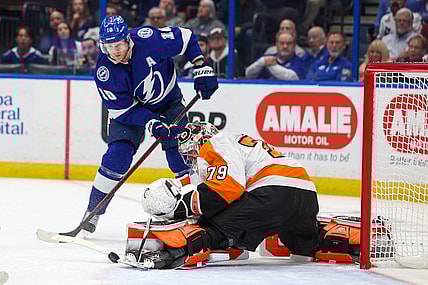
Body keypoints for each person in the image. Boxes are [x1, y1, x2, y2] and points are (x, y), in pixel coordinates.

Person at [80, 15, 218, 236]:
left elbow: (188, 38)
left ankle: (199, 211)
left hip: (169, 103)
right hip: (132, 112)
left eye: (118, 45)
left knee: (180, 153)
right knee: (118, 155)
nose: (114, 51)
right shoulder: (104, 72)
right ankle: (92, 212)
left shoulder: (151, 39)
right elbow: (124, 110)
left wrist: (201, 67)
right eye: (109, 46)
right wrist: (151, 122)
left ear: (128, 40)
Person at [138, 121, 319, 269]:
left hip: (273, 194)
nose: (193, 157)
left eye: (192, 151)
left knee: (215, 226)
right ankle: (333, 241)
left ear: (201, 141)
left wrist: (185, 207)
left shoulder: (214, 144)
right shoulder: (237, 141)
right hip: (307, 195)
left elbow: (227, 189)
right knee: (304, 249)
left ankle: (171, 254)